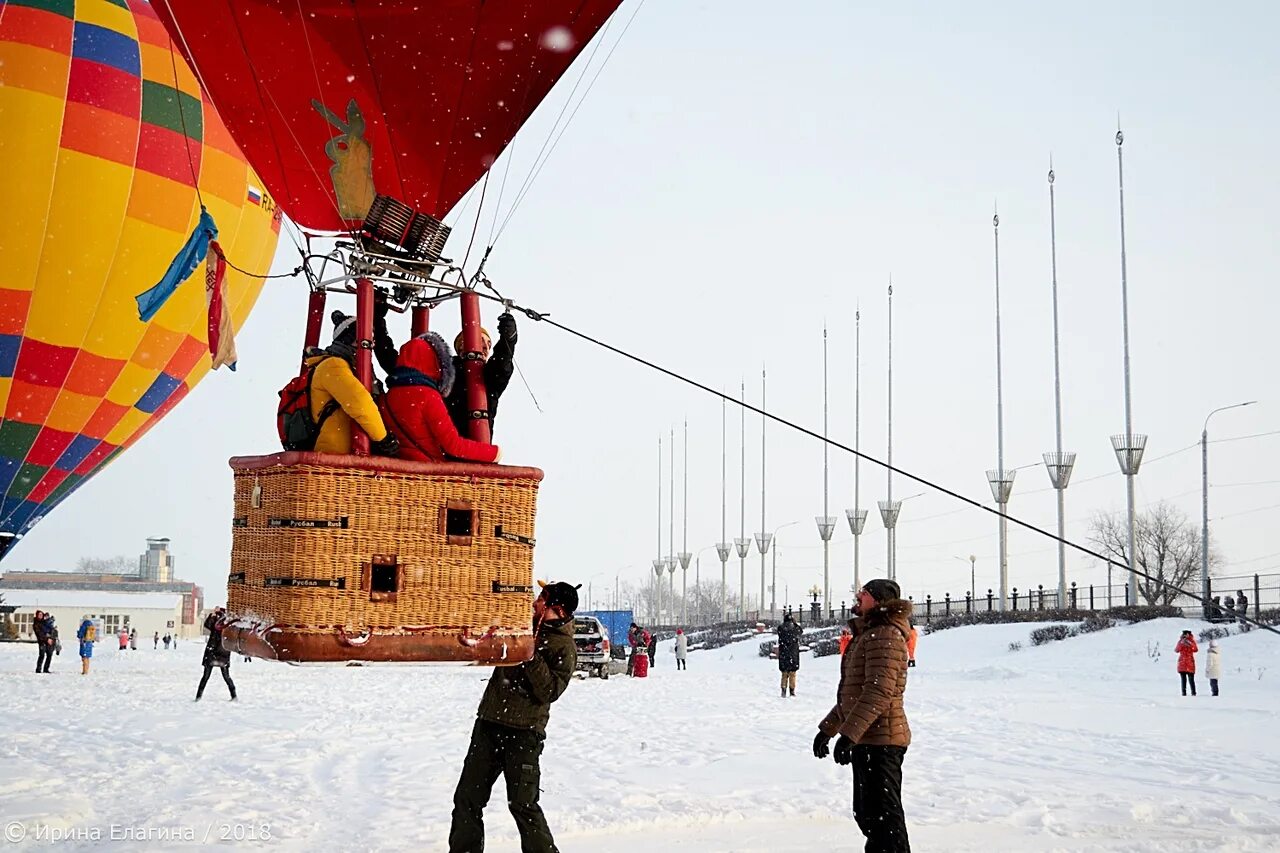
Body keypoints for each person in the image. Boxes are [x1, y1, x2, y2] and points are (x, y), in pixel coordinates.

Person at [449, 581, 578, 853]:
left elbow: (550, 691)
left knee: (523, 805)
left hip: (524, 733)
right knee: (467, 799)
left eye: (542, 598)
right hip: (489, 724)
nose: (535, 602)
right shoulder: (521, 625)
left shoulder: (563, 646)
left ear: (558, 610)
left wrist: (529, 654)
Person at [813, 578, 913, 853]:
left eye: (864, 594)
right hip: (867, 738)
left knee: (884, 817)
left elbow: (878, 693)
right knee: (868, 815)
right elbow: (854, 696)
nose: (857, 597)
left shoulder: (886, 635)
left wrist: (848, 734)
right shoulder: (869, 633)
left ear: (879, 600)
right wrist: (829, 729)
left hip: (883, 740)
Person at [381, 332, 501, 464]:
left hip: (401, 470)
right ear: (432, 361)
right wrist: (494, 453)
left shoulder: (385, 399)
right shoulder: (428, 396)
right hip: (429, 471)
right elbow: (453, 445)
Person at [302, 311, 399, 456]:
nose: (371, 346)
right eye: (365, 341)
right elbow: (360, 403)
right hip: (334, 457)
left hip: (343, 456)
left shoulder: (349, 368)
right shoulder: (333, 365)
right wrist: (383, 439)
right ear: (349, 340)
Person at [447, 311, 518, 438]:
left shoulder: (489, 376)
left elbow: (502, 364)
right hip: (443, 444)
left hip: (477, 446)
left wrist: (508, 339)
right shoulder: (446, 371)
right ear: (462, 345)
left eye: (489, 344)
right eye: (480, 341)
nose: (486, 347)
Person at [196, 607, 236, 701]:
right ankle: (198, 697)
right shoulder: (215, 622)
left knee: (226, 676)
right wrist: (212, 615)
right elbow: (207, 625)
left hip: (222, 651)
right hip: (213, 651)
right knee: (206, 676)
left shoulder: (228, 623)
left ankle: (234, 696)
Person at [777, 612, 803, 698]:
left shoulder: (781, 628)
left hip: (784, 654)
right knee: (792, 673)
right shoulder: (795, 629)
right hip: (793, 654)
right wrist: (795, 623)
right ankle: (792, 691)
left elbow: (779, 632)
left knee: (784, 673)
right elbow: (800, 631)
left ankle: (783, 690)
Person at [1176, 629, 1198, 697]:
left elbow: (1195, 649)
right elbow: (1176, 650)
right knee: (1183, 680)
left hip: (1189, 662)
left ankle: (1193, 692)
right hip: (1182, 663)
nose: (1185, 635)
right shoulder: (1180, 641)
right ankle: (1183, 693)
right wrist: (1181, 643)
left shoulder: (1192, 641)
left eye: (1186, 634)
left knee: (1191, 679)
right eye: (1184, 634)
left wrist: (1189, 643)